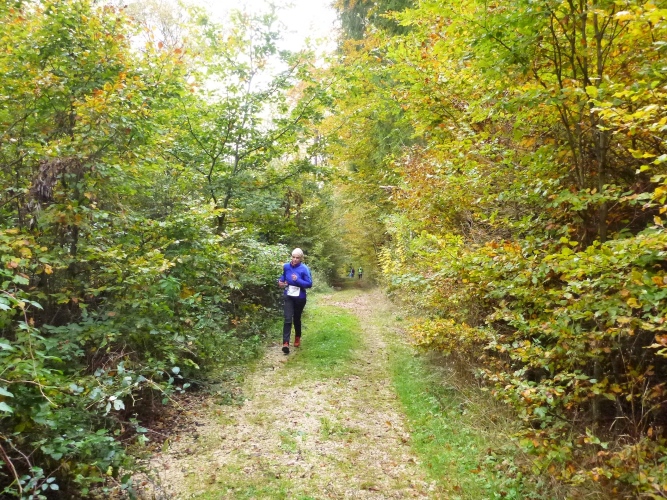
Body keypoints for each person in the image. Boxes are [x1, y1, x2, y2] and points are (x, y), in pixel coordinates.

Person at [278, 248, 312, 354]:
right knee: (287, 318)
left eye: (297, 258)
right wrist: (280, 282)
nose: (295, 259)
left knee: (296, 318)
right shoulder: (286, 266)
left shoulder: (304, 269)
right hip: (288, 295)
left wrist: (297, 280)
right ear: (291, 257)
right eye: (293, 257)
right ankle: (285, 343)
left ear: (301, 258)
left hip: (300, 297)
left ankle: (297, 337)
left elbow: (309, 284)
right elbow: (283, 276)